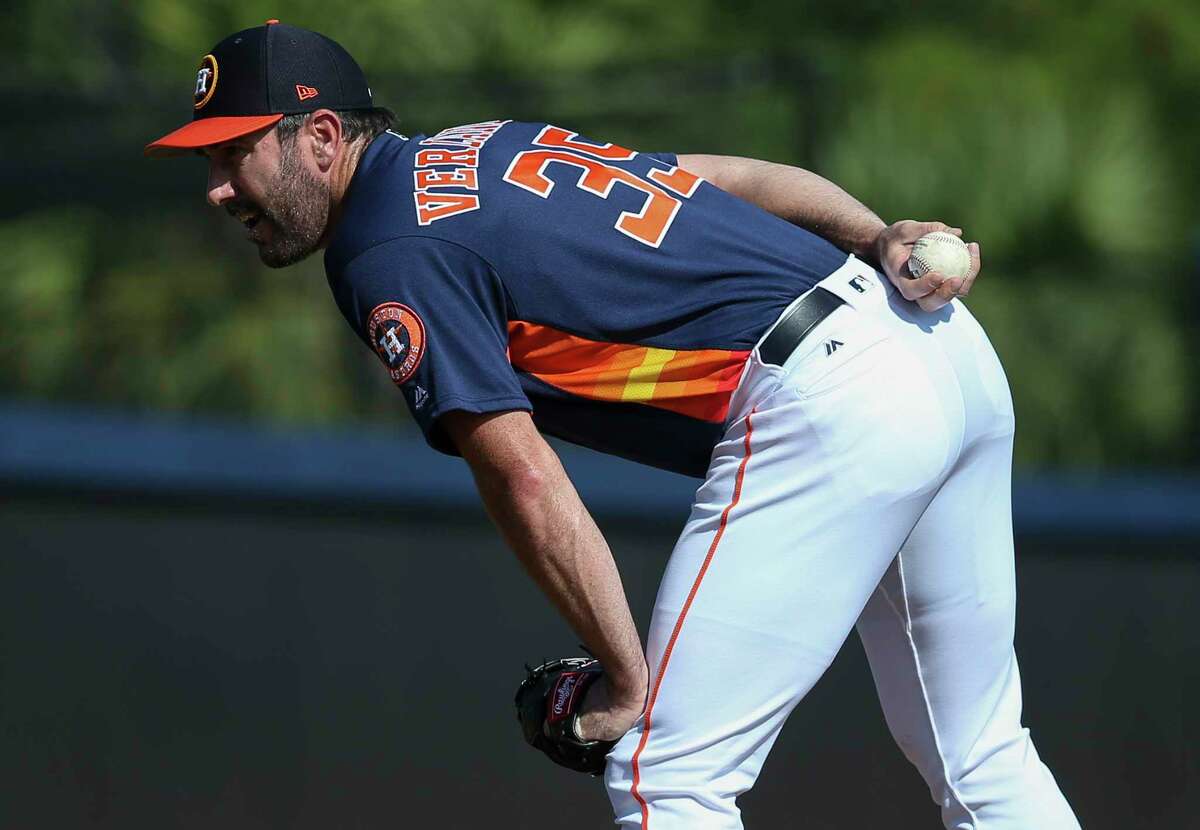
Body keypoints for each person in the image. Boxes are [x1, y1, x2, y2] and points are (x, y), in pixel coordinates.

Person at [146, 20, 1080, 830]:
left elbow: (521, 473)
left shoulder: (382, 249)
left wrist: (628, 683)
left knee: (668, 777)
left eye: (237, 152)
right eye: (210, 158)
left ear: (318, 136)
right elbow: (737, 177)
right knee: (982, 756)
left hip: (834, 397)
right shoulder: (483, 145)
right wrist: (877, 235)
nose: (220, 186)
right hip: (938, 344)